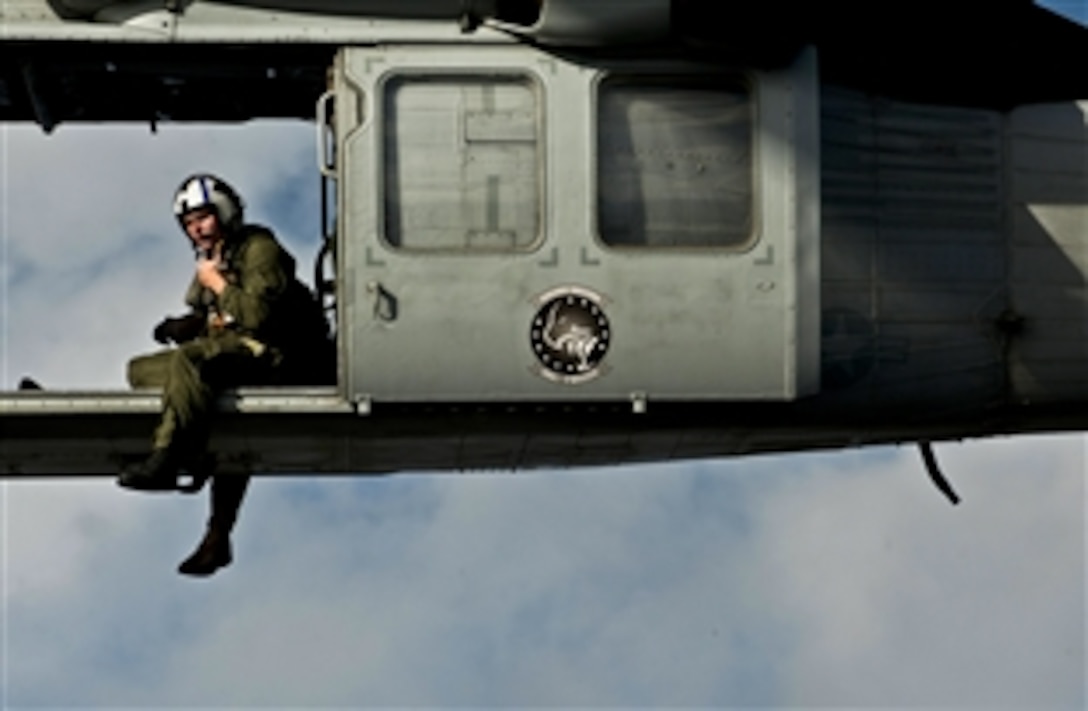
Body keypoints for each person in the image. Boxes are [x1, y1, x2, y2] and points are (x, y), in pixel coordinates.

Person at [118, 174, 334, 577]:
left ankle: (169, 457)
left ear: (225, 213)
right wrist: (182, 326)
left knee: (191, 365)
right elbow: (215, 320)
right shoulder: (216, 257)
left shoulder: (259, 250)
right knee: (141, 371)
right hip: (237, 355)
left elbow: (256, 317)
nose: (195, 229)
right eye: (188, 223)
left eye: (202, 218)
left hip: (281, 358)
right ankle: (216, 528)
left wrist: (215, 282)